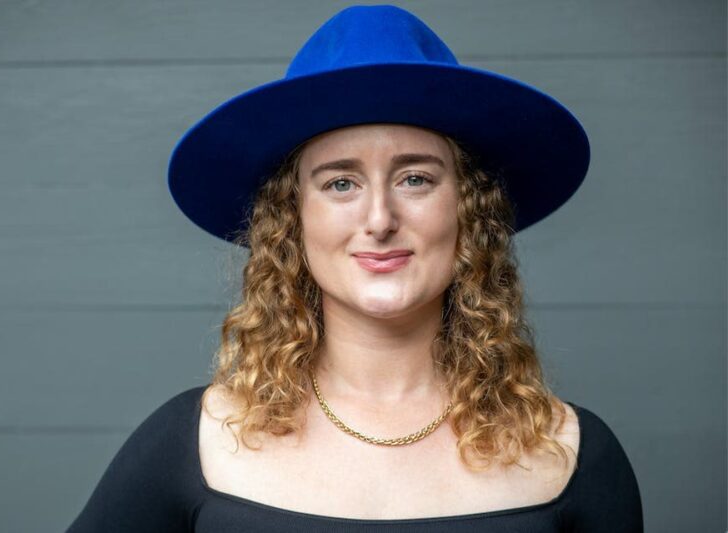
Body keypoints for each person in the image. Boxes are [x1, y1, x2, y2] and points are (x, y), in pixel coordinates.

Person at [67, 5, 643, 532]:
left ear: (471, 211)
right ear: (292, 220)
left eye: (415, 178)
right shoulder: (195, 441)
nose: (379, 219)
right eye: (340, 183)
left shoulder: (570, 452)